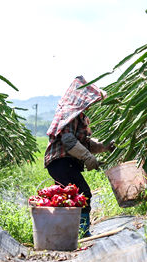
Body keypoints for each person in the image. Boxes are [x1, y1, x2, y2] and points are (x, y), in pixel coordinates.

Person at [44, 76, 114, 237]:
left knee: (66, 198)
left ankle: (62, 233)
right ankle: (82, 233)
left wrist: (105, 146)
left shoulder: (79, 116)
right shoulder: (69, 114)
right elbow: (68, 141)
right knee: (83, 193)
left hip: (63, 163)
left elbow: (85, 143)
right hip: (61, 162)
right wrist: (88, 158)